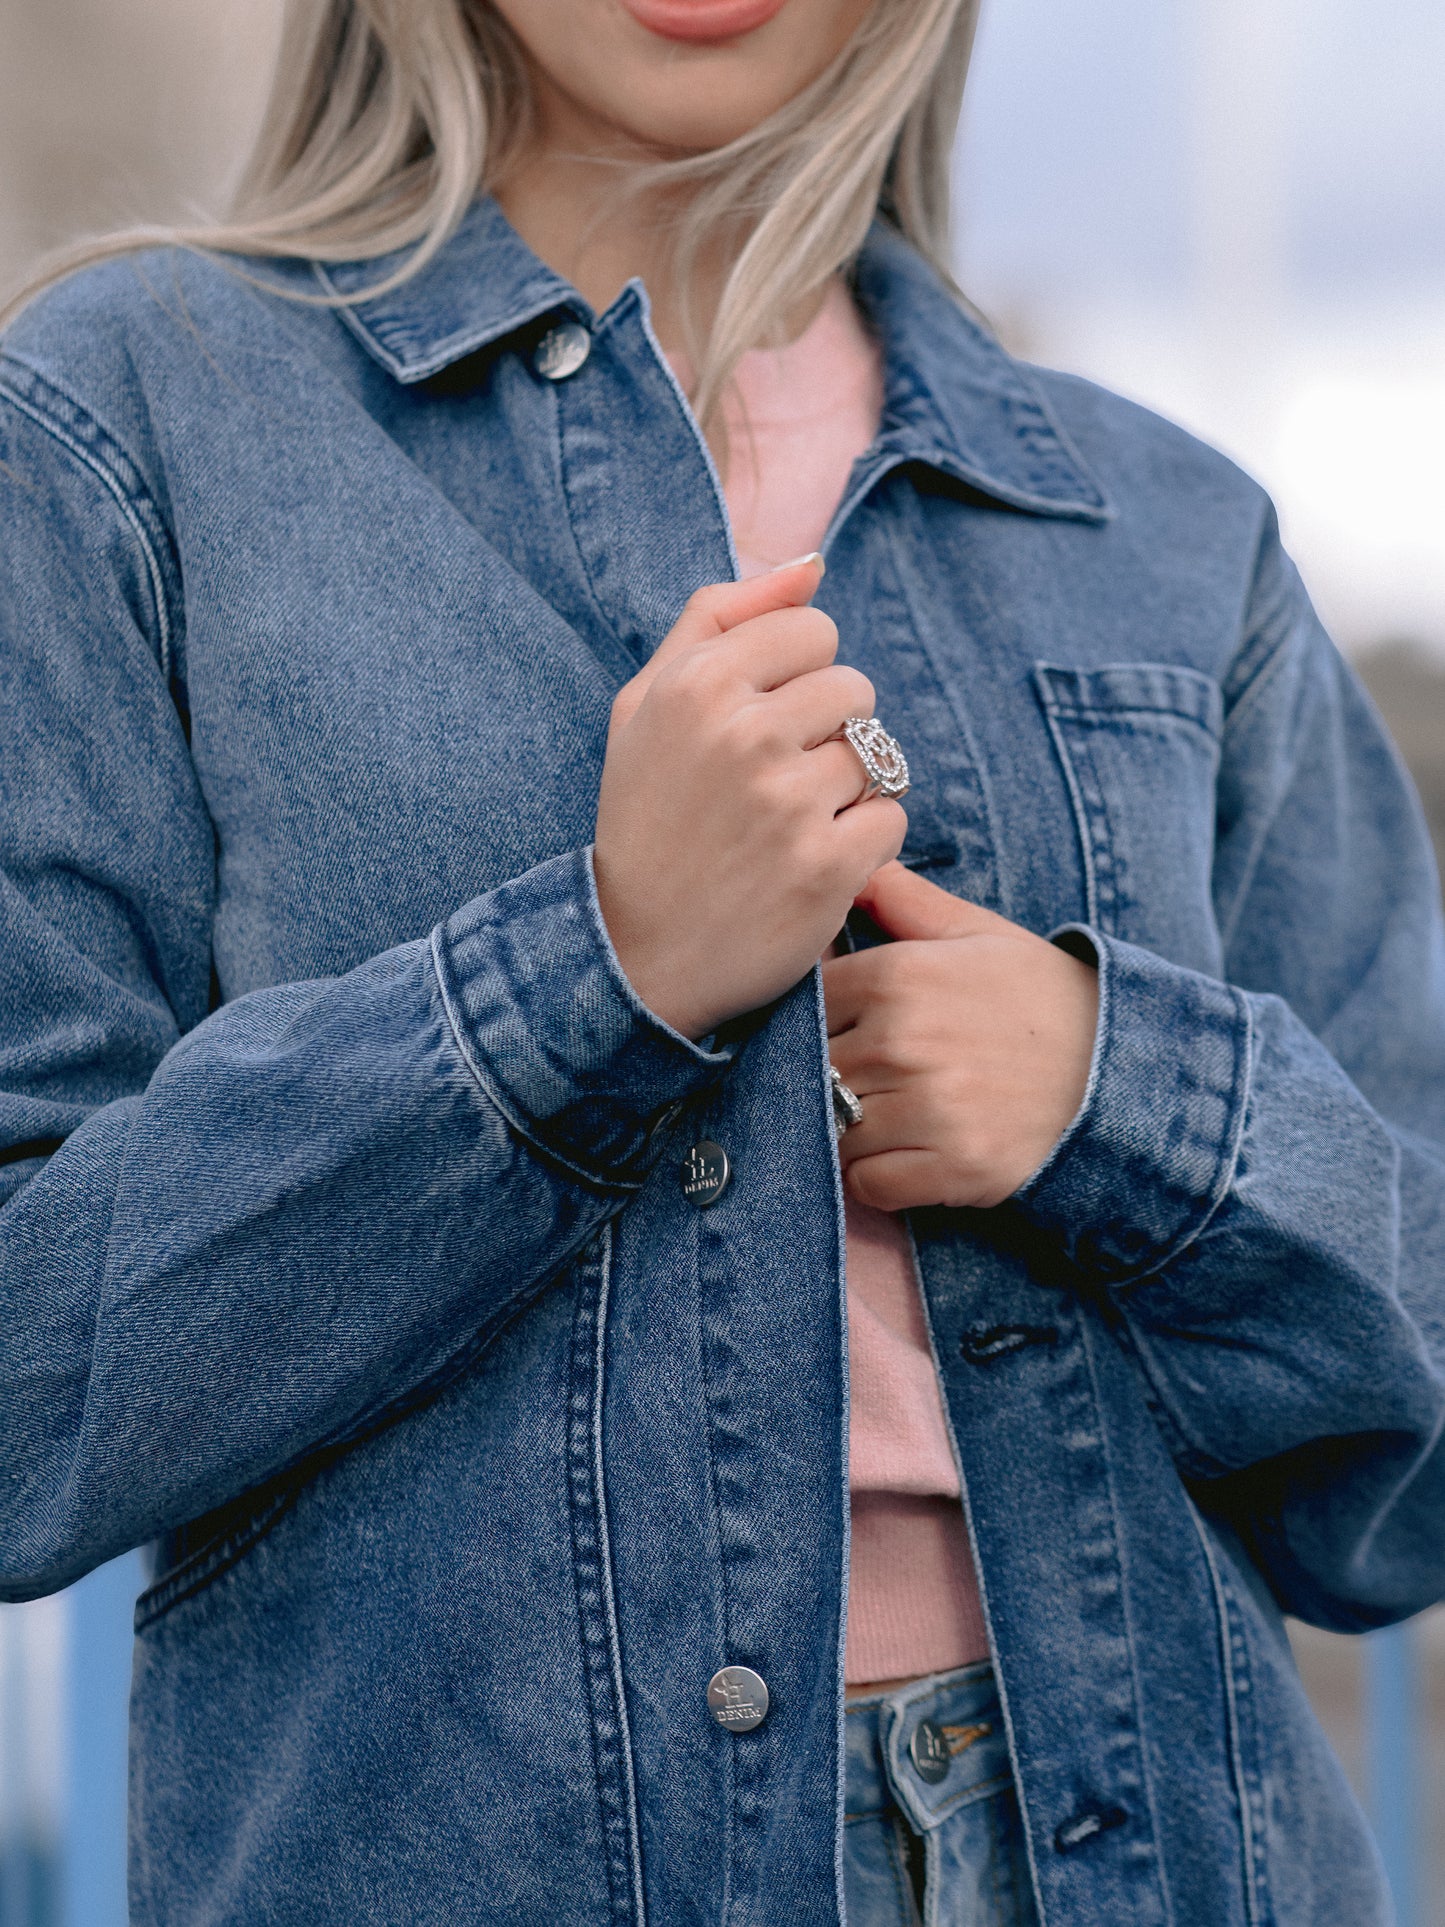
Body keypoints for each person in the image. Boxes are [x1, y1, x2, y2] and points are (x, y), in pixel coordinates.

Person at [1, 0, 1441, 1920]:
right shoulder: (129, 420)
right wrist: (590, 983)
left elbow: (1394, 1499)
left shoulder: (1167, 532)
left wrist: (1121, 1099)